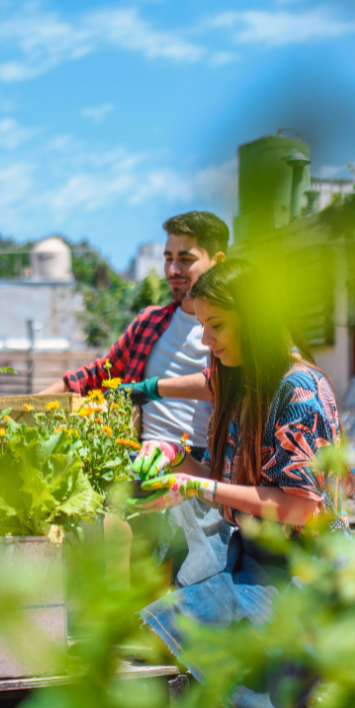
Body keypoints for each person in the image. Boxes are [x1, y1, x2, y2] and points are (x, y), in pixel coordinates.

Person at [128, 259, 354, 708]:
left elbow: (298, 509)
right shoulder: (241, 382)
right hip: (254, 556)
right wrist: (173, 457)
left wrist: (196, 484)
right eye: (203, 326)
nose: (206, 340)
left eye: (217, 325)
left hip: (306, 575)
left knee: (213, 659)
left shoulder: (299, 391)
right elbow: (228, 481)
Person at [41, 211, 229, 585]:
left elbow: (224, 383)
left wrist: (151, 388)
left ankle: (142, 623)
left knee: (145, 531)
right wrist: (30, 402)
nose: (173, 269)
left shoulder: (228, 330)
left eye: (186, 258)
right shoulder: (151, 322)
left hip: (198, 463)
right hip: (138, 457)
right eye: (167, 257)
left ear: (217, 261)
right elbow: (98, 375)